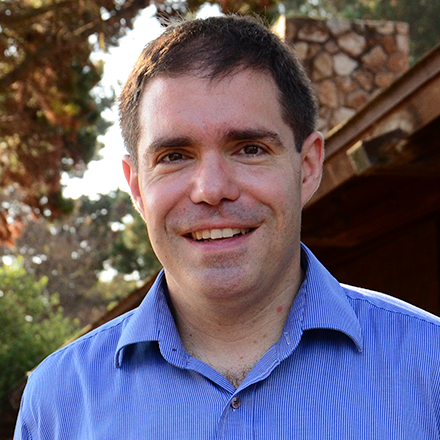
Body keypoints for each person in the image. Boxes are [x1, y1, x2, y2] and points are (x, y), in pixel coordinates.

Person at [14, 15, 440, 439]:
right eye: (175, 156)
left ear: (308, 167)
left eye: (250, 148)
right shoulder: (58, 403)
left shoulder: (431, 367)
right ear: (137, 187)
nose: (212, 189)